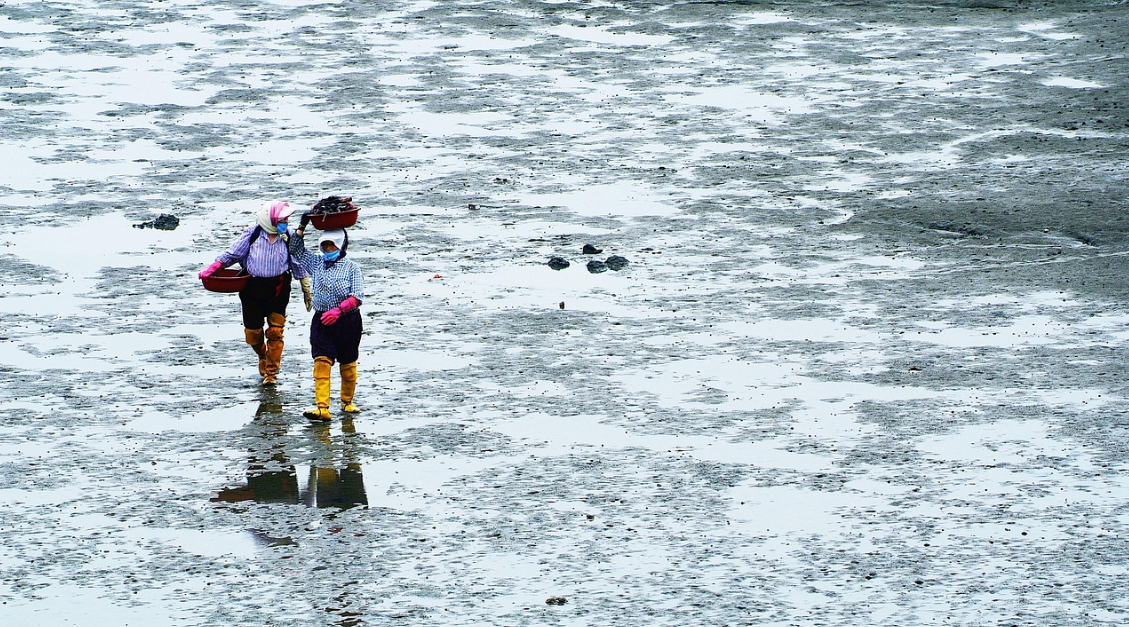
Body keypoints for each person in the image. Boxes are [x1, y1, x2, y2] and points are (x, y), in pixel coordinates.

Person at [198, 201, 314, 386]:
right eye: (282, 219)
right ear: (271, 219)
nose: (285, 222)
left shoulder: (288, 236)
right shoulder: (253, 233)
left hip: (279, 287)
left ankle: (271, 373)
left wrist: (306, 287)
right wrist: (213, 268)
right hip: (252, 288)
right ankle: (263, 354)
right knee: (253, 333)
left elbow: (297, 261)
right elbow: (232, 254)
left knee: (276, 331)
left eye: (287, 219)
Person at [289, 214, 365, 421]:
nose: (327, 250)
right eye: (324, 246)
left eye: (331, 246)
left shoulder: (352, 268)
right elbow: (295, 250)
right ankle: (322, 407)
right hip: (322, 320)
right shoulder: (316, 264)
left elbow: (357, 296)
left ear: (341, 246)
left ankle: (347, 402)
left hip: (347, 322)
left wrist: (339, 310)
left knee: (348, 364)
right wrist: (303, 224)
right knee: (321, 361)